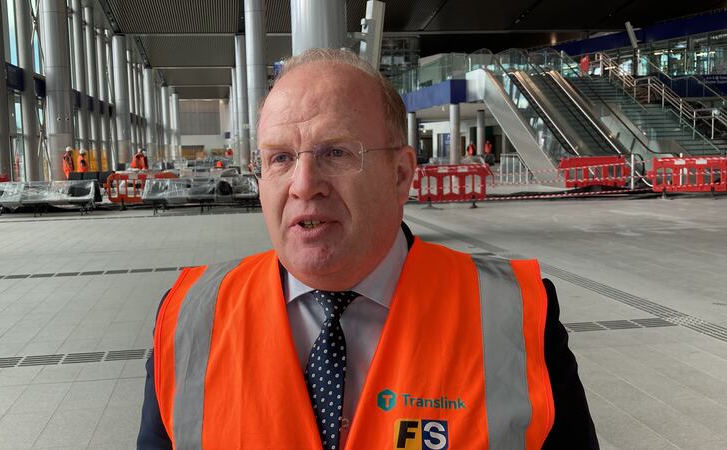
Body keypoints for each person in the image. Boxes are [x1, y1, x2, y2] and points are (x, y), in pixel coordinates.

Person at [138, 49, 598, 449]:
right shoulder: (190, 317)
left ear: (401, 175)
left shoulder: (511, 314)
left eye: (336, 153)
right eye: (280, 158)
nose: (303, 185)